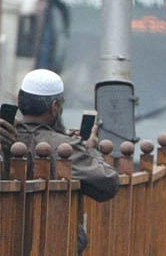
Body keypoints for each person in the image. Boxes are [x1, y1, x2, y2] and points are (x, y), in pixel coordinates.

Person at [10, 69, 119, 203]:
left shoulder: (7, 137)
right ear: (55, 106)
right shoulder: (65, 146)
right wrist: (90, 150)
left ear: (20, 100)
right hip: (50, 223)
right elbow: (108, 183)